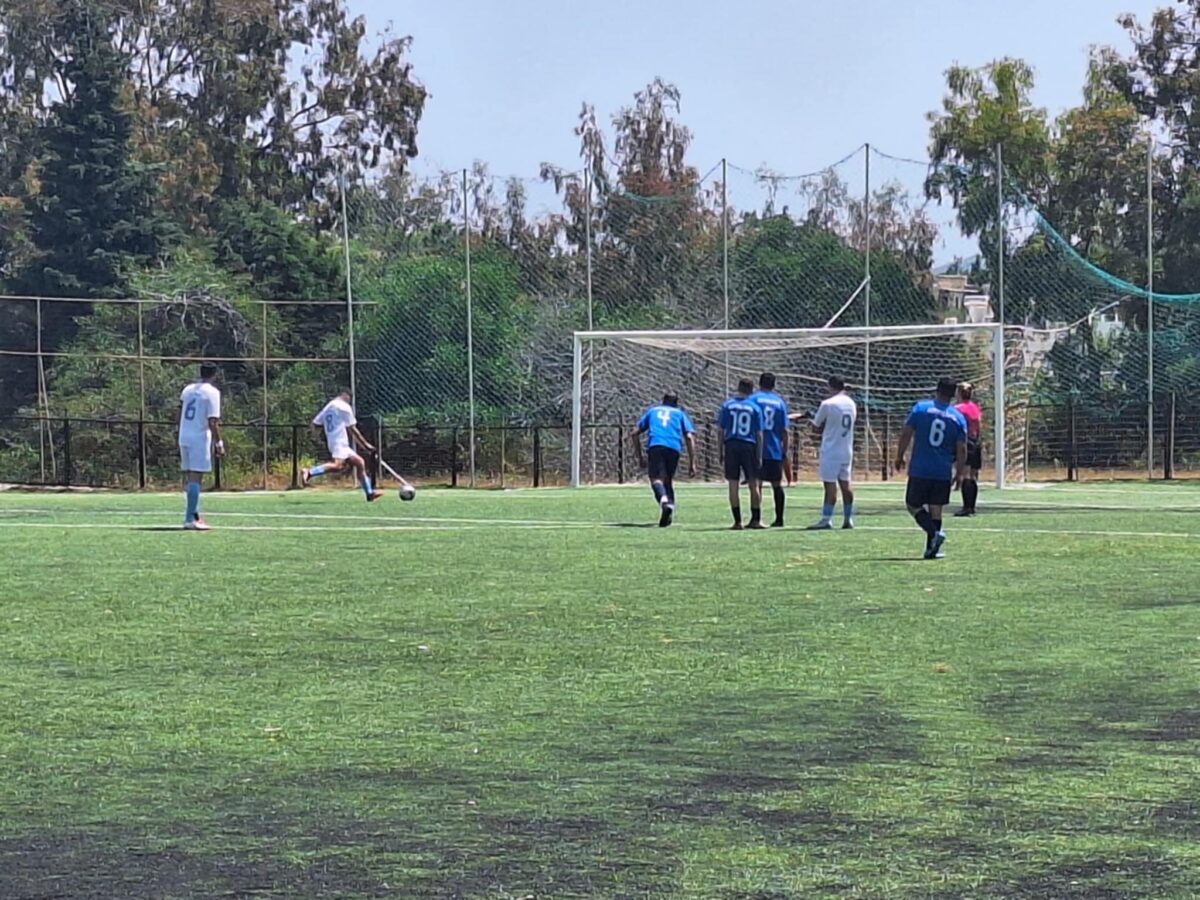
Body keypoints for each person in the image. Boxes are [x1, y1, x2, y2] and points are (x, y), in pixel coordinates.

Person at [894, 378, 968, 559]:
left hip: (921, 467)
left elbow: (907, 433)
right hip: (942, 470)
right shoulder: (958, 417)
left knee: (912, 504)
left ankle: (933, 533)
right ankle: (932, 548)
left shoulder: (921, 408)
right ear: (953, 394)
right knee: (936, 508)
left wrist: (899, 455)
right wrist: (959, 472)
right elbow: (962, 448)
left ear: (937, 390)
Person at [302, 390, 384, 501]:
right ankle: (309, 472)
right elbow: (353, 429)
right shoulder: (344, 407)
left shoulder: (329, 406)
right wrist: (365, 445)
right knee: (337, 466)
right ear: (347, 397)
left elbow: (315, 423)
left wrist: (317, 438)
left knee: (360, 462)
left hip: (337, 442)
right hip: (339, 442)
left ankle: (369, 493)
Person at [632, 392, 698, 527]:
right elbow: (689, 437)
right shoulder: (679, 414)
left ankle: (664, 502)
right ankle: (669, 510)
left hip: (656, 445)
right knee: (667, 481)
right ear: (676, 403)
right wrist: (692, 462)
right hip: (674, 447)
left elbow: (634, 433)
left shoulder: (653, 411)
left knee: (656, 480)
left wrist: (639, 456)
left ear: (663, 400)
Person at [178, 362, 224, 531]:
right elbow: (213, 421)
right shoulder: (212, 392)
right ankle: (190, 519)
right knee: (196, 477)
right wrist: (219, 442)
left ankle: (194, 514)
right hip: (199, 437)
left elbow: (179, 410)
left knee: (191, 476)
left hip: (184, 434)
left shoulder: (188, 389)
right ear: (214, 375)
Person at [807, 376, 858, 530]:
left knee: (830, 486)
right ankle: (848, 518)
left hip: (831, 450)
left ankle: (826, 519)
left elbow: (816, 427)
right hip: (846, 449)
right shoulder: (851, 403)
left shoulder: (828, 404)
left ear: (830, 386)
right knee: (846, 485)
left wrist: (809, 421)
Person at [717, 377, 765, 530]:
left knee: (733, 484)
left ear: (738, 387)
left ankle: (737, 522)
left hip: (731, 445)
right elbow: (759, 433)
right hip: (748, 445)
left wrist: (720, 450)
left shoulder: (727, 405)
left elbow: (720, 430)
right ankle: (756, 520)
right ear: (751, 390)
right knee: (753, 484)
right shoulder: (755, 407)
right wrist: (759, 454)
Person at [749, 373, 790, 527]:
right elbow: (785, 430)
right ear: (774, 385)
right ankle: (779, 519)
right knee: (776, 484)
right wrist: (784, 450)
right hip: (774, 448)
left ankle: (756, 518)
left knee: (756, 484)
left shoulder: (752, 399)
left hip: (756, 448)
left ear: (759, 383)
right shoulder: (779, 402)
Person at [954, 381, 983, 517]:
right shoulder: (975, 407)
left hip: (966, 442)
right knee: (972, 476)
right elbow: (979, 426)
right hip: (976, 442)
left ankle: (967, 507)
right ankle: (972, 506)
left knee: (965, 475)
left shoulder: (958, 409)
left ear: (959, 393)